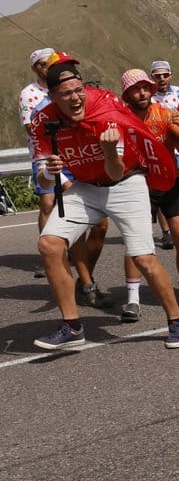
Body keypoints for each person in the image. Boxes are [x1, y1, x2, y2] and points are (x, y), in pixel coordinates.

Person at [28, 53, 179, 349]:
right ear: (52, 97)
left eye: (79, 91)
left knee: (143, 258)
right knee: (49, 245)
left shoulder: (106, 106)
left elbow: (115, 172)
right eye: (66, 95)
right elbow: (42, 179)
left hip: (125, 181)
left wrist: (107, 151)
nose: (76, 99)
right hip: (84, 187)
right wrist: (50, 174)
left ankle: (176, 320)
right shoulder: (43, 119)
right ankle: (72, 327)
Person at [20, 48, 110, 300]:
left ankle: (83, 276)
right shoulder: (34, 99)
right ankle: (86, 281)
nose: (68, 71)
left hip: (84, 158)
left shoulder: (82, 92)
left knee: (101, 225)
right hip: (54, 160)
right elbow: (36, 133)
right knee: (68, 216)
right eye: (58, 66)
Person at [119, 69, 179, 319]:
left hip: (170, 182)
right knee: (136, 244)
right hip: (137, 185)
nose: (142, 92)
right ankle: (133, 299)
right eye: (136, 88)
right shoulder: (119, 118)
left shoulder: (164, 114)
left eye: (145, 87)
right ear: (126, 93)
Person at [149, 59, 179, 248]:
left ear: (171, 75)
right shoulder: (150, 97)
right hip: (161, 148)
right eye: (157, 76)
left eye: (165, 75)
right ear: (152, 77)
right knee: (163, 189)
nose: (161, 79)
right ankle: (166, 231)